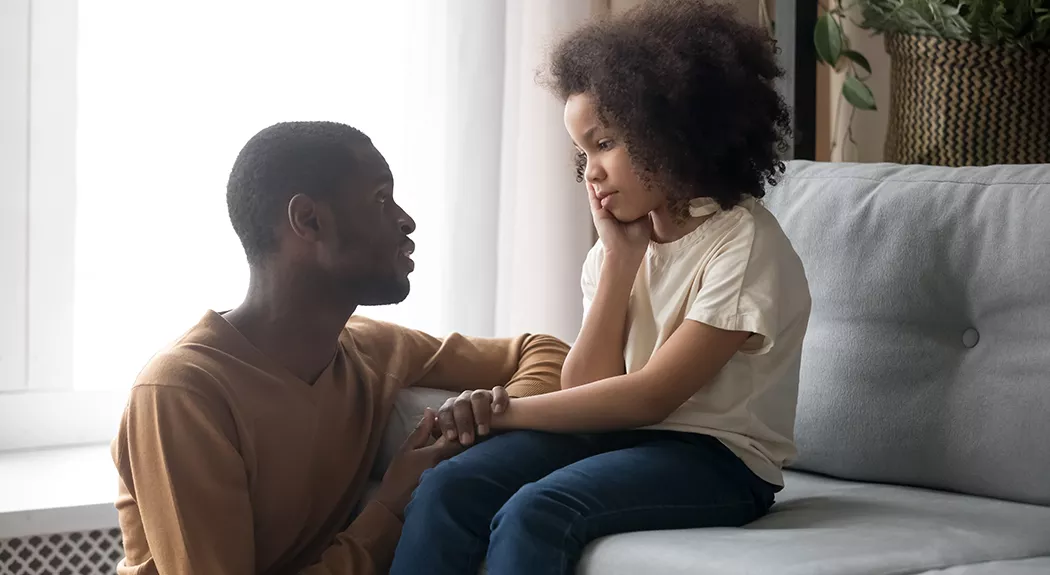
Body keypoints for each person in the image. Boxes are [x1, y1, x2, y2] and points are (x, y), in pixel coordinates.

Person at [390, 1, 812, 573]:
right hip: (623, 438)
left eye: (605, 142)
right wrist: (619, 260)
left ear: (670, 130)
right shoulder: (616, 251)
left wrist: (508, 411)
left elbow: (651, 395)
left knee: (539, 511)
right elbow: (588, 387)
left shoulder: (742, 245)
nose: (591, 170)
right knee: (449, 485)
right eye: (582, 151)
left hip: (719, 461)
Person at [110, 121, 569, 575]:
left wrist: (494, 413)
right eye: (380, 199)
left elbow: (544, 350)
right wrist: (390, 508)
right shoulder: (182, 393)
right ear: (308, 220)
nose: (406, 220)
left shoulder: (372, 349)